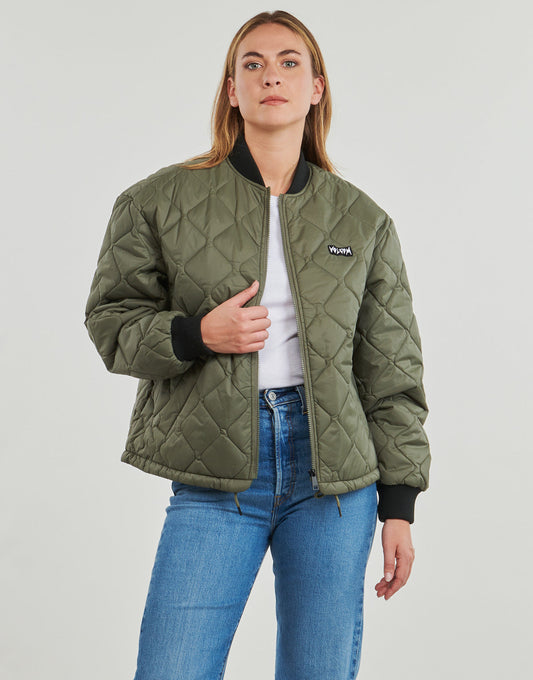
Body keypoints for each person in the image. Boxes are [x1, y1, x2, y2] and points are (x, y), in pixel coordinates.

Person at [84, 9, 431, 680]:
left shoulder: (362, 220)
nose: (271, 75)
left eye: (289, 63)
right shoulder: (156, 201)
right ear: (231, 89)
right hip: (215, 472)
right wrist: (195, 333)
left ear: (316, 88)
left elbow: (391, 370)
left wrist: (399, 506)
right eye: (253, 64)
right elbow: (111, 322)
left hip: (335, 483)